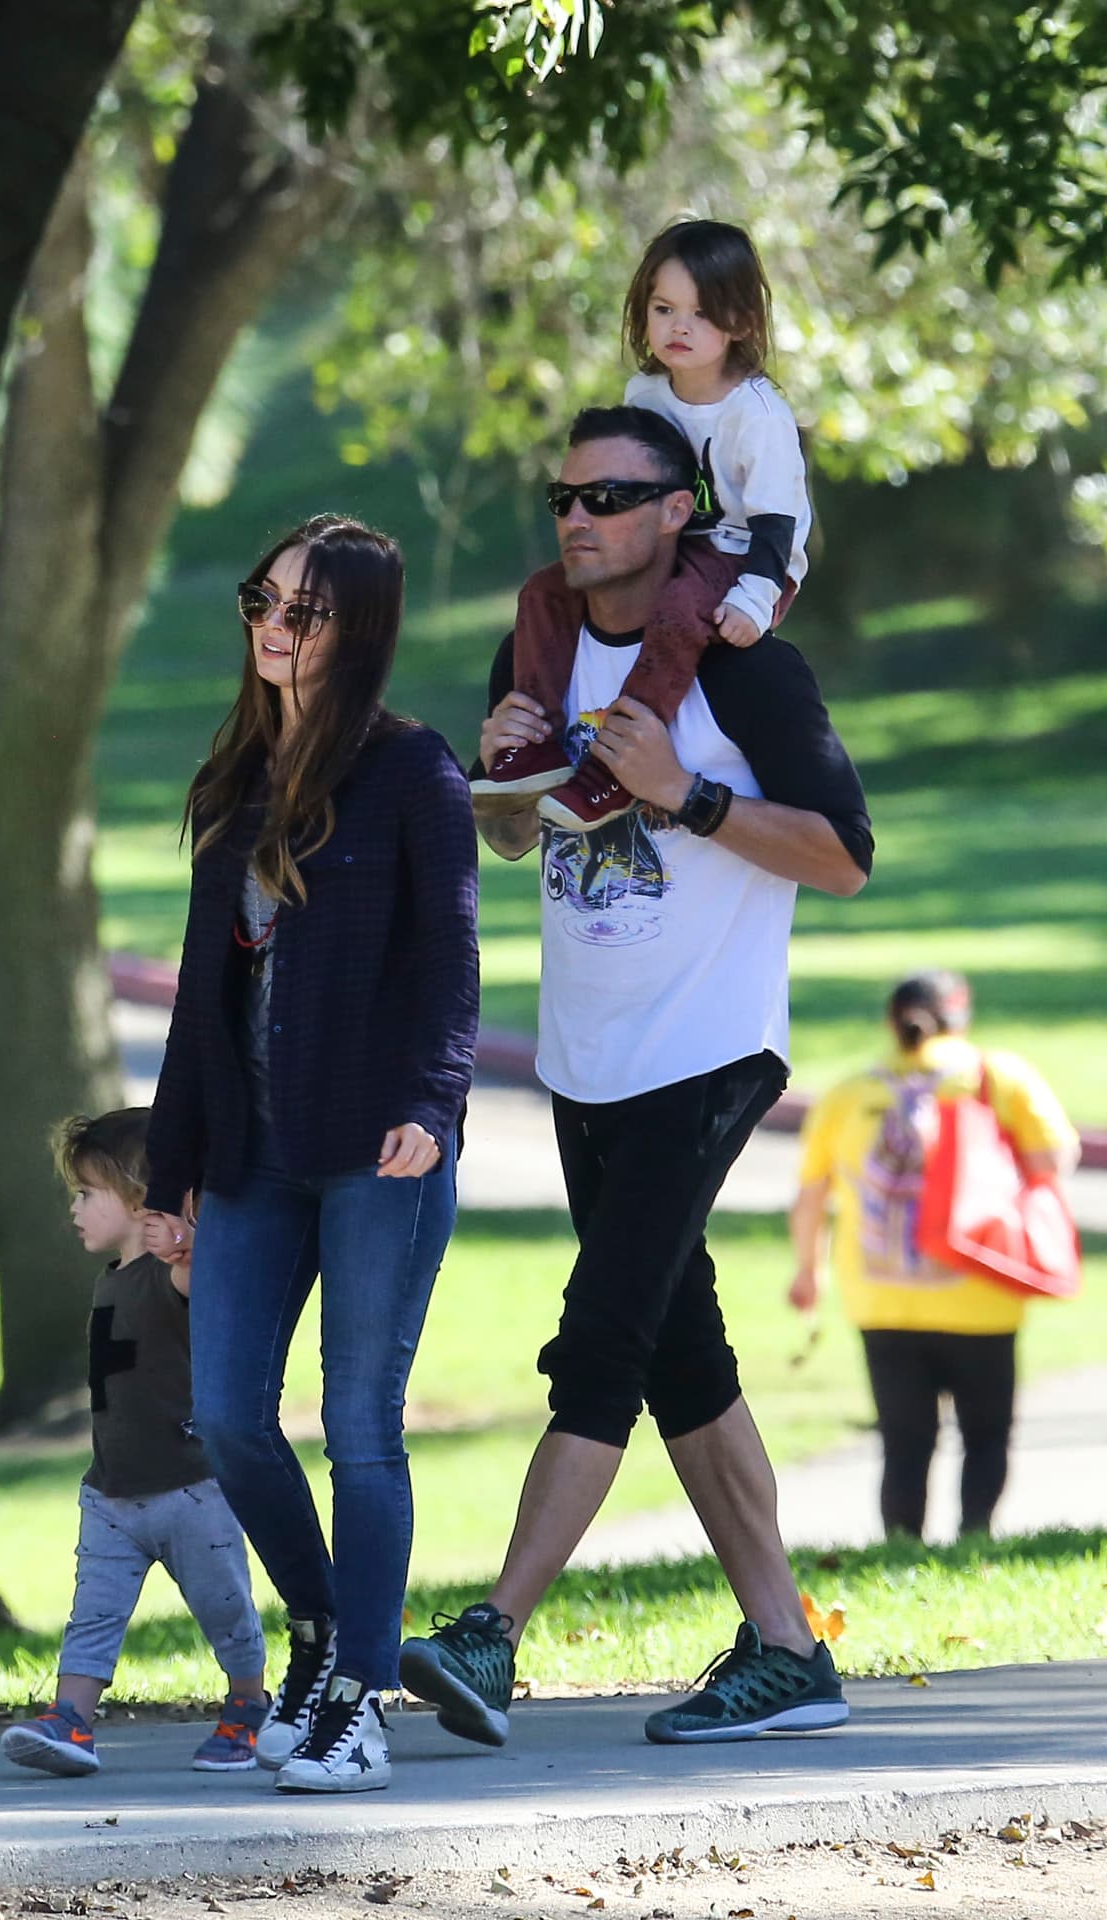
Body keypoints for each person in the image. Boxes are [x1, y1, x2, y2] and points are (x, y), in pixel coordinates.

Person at [400, 402, 872, 1750]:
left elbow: (843, 855)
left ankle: (492, 1635)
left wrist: (686, 792)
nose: (578, 517)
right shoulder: (538, 645)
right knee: (682, 1351)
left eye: (609, 496)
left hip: (708, 1045)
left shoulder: (742, 666)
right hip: (586, 1054)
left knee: (602, 1337)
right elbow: (515, 842)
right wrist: (499, 781)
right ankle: (788, 1650)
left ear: (681, 513)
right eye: (565, 497)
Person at [142, 515, 479, 1795]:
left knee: (359, 1426)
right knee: (228, 1414)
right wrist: (172, 1177)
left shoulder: (413, 773)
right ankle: (326, 1627)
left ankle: (357, 1700)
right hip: (250, 1156)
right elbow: (195, 1003)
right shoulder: (234, 779)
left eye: (309, 608)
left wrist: (431, 1103)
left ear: (362, 627)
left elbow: (450, 963)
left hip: (377, 1151)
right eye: (263, 600)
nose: (276, 626)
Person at [473, 218, 810, 832]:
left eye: (702, 314)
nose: (679, 327)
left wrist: (756, 597)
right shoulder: (646, 392)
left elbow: (777, 522)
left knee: (681, 612)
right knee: (545, 590)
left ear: (740, 322)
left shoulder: (756, 413)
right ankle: (537, 747)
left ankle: (617, 770)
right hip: (677, 543)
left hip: (745, 558)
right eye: (663, 308)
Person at [2, 1108, 267, 1778]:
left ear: (140, 1199)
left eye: (88, 1193)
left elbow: (213, 1274)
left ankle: (249, 1706)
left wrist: (186, 1238)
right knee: (92, 1613)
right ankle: (72, 1721)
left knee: (226, 1611)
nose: (75, 1208)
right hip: (111, 1493)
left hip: (191, 1489)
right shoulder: (113, 1279)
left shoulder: (170, 1272)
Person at [788, 971, 1079, 1540]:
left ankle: (901, 1547)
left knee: (903, 1442)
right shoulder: (999, 1079)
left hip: (880, 1300)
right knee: (987, 1434)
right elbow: (1054, 1161)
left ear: (890, 1022)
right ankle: (974, 1536)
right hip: (981, 1292)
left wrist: (808, 1272)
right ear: (961, 1017)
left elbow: (809, 1199)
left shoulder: (848, 1095)